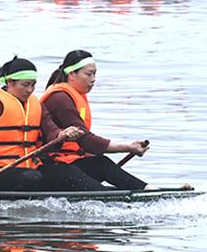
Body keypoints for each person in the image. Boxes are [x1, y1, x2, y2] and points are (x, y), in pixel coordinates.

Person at [38, 50, 152, 191]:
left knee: (101, 163)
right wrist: (127, 147)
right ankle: (129, 194)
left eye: (94, 74)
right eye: (88, 74)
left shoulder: (74, 95)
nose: (93, 79)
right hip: (51, 166)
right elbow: (86, 140)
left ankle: (148, 189)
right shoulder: (60, 98)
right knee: (98, 189)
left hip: (70, 162)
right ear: (72, 74)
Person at [0, 57, 81, 191]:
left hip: (31, 168)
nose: (30, 90)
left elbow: (51, 131)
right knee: (32, 177)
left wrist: (62, 134)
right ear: (9, 82)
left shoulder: (37, 105)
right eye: (25, 85)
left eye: (33, 84)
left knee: (67, 173)